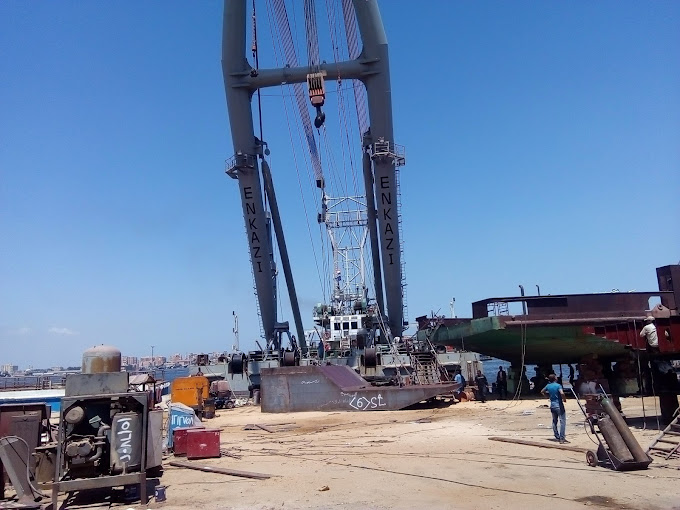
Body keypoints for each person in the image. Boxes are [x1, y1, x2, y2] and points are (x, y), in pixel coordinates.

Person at [541, 374, 567, 443]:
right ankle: (562, 438)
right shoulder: (558, 385)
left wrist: (547, 397)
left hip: (552, 405)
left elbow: (542, 391)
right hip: (559, 405)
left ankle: (556, 435)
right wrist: (564, 399)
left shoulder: (548, 385)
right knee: (562, 421)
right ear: (555, 378)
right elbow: (562, 393)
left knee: (554, 421)